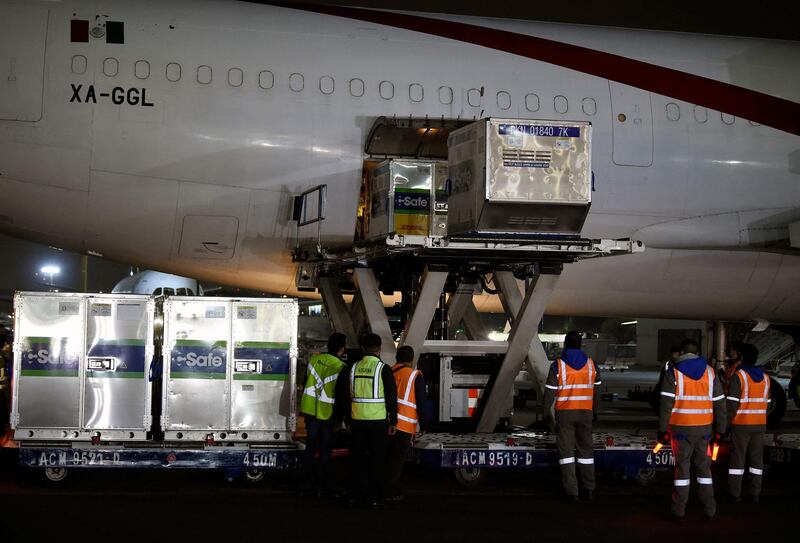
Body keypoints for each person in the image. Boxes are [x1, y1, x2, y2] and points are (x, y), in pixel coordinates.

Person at [658, 338, 726, 520]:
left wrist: (662, 430)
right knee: (704, 470)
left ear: (681, 353)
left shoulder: (673, 373)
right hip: (704, 430)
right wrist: (721, 429)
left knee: (682, 471)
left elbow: (665, 405)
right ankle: (709, 508)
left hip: (680, 430)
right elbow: (720, 404)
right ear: (696, 353)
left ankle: (679, 509)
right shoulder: (710, 373)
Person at [543, 331, 602, 501]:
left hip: (565, 414)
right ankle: (589, 488)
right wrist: (595, 410)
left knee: (567, 453)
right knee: (586, 452)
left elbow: (549, 393)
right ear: (581, 344)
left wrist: (545, 412)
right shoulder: (592, 365)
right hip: (585, 414)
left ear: (565, 345)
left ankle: (572, 492)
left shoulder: (558, 366)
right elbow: (597, 391)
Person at [344, 333, 397, 507]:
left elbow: (346, 397)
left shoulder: (352, 368)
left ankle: (355, 495)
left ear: (363, 348)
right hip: (378, 422)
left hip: (357, 420)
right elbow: (391, 397)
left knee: (357, 460)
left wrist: (347, 420)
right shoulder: (384, 369)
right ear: (379, 349)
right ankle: (374, 497)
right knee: (377, 460)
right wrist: (393, 421)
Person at [298, 333, 349, 498]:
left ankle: (306, 485)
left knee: (310, 449)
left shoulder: (314, 360)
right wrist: (342, 418)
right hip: (328, 414)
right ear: (342, 348)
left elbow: (306, 383)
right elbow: (342, 396)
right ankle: (322, 486)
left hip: (311, 411)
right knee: (325, 451)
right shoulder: (341, 366)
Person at [726, 343, 770, 503]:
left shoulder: (739, 377)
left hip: (741, 425)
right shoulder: (765, 378)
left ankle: (735, 493)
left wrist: (724, 426)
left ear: (742, 357)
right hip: (759, 425)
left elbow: (731, 404)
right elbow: (768, 402)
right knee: (757, 461)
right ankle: (755, 492)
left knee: (738, 460)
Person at [385, 345, 426, 502]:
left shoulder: (388, 371)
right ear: (412, 359)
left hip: (384, 421)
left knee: (386, 458)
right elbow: (421, 403)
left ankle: (382, 487)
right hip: (403, 426)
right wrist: (424, 425)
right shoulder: (414, 375)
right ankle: (389, 491)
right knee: (396, 461)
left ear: (397, 357)